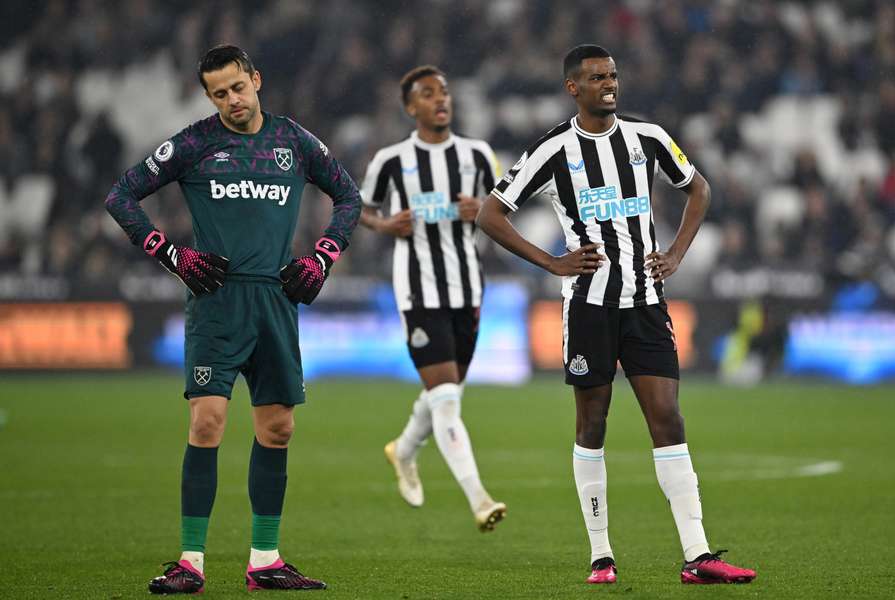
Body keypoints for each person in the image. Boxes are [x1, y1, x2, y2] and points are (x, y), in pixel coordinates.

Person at [476, 45, 757, 585]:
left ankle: (698, 556)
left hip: (646, 302)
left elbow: (698, 188)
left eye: (613, 75)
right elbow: (491, 213)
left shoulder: (647, 137)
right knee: (593, 422)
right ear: (572, 88)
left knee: (668, 417)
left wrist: (675, 254)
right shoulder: (553, 149)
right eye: (597, 78)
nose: (609, 84)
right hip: (589, 306)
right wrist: (553, 263)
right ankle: (601, 556)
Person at [105, 45, 361, 593]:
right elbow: (121, 195)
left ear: (256, 80)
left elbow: (348, 196)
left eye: (237, 88)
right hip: (216, 301)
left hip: (275, 299)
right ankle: (190, 563)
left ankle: (264, 559)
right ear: (208, 96)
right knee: (207, 423)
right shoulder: (195, 143)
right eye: (219, 93)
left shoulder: (293, 140)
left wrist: (322, 256)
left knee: (279, 428)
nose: (232, 100)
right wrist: (170, 254)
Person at [359, 65, 506, 531]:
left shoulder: (478, 155)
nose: (440, 99)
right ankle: (479, 499)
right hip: (418, 291)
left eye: (444, 91)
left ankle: (403, 450)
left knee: (447, 393)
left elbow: (502, 211)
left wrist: (481, 210)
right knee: (445, 397)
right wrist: (385, 225)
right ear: (410, 107)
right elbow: (360, 209)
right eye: (427, 93)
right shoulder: (391, 159)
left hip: (468, 288)